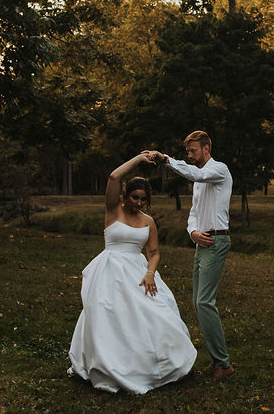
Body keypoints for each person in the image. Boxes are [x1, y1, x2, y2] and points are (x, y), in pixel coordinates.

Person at [67, 153, 196, 394]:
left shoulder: (148, 221)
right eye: (135, 197)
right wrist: (139, 158)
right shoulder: (113, 210)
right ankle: (109, 365)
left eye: (143, 200)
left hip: (138, 271)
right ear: (126, 195)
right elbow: (115, 175)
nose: (138, 203)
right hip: (110, 269)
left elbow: (154, 252)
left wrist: (150, 272)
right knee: (109, 316)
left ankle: (150, 364)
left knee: (153, 315)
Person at [148, 130, 235, 380]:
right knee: (199, 303)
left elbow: (195, 172)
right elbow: (194, 213)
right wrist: (193, 232)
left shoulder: (218, 169)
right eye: (187, 151)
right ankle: (219, 360)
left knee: (204, 302)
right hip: (202, 240)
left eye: (193, 150)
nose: (190, 155)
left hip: (217, 240)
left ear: (206, 148)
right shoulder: (199, 179)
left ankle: (224, 364)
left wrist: (167, 159)